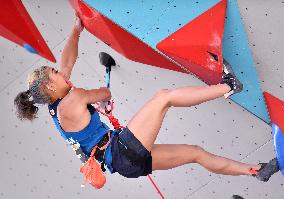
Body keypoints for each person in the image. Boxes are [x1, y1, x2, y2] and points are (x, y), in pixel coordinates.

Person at [14, 16, 278, 182]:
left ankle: (257, 171)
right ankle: (228, 86)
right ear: (50, 85)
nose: (62, 72)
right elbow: (104, 94)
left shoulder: (56, 107)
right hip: (120, 150)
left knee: (195, 153)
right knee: (163, 98)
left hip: (123, 164)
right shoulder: (73, 98)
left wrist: (76, 30)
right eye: (55, 73)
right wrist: (102, 101)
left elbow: (67, 62)